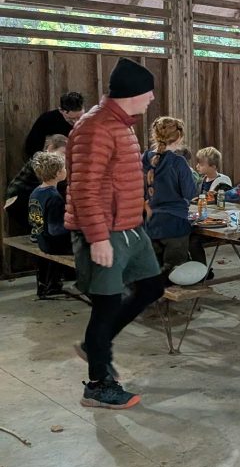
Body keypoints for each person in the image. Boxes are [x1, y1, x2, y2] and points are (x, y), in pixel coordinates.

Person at [65, 57, 166, 409]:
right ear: (132, 93)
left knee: (152, 286)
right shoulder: (95, 127)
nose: (152, 97)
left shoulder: (123, 123)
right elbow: (84, 188)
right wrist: (97, 238)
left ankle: (96, 345)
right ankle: (98, 384)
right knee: (106, 304)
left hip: (128, 227)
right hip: (104, 229)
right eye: (149, 91)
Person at [142, 117, 205, 273]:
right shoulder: (179, 162)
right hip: (174, 223)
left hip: (149, 221)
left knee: (154, 269)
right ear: (179, 138)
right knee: (174, 270)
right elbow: (189, 193)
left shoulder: (145, 158)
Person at [27, 151, 73, 298]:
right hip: (53, 244)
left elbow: (32, 220)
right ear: (58, 173)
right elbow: (56, 230)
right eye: (64, 168)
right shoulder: (54, 197)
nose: (66, 170)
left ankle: (52, 284)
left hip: (41, 240)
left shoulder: (35, 192)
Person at [5, 134, 67, 234]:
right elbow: (50, 182)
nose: (65, 158)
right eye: (63, 153)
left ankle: (40, 232)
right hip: (18, 200)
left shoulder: (53, 163)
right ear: (50, 148)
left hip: (26, 199)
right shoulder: (42, 160)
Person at [24, 91, 84, 159]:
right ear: (61, 111)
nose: (76, 122)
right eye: (71, 118)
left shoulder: (88, 120)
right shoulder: (46, 120)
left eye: (79, 117)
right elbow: (32, 149)